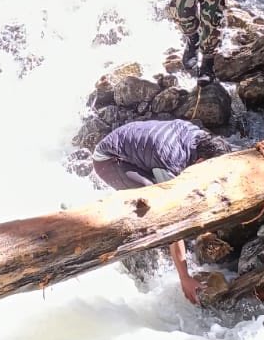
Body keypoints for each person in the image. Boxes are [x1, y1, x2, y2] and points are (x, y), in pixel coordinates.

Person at [92, 119, 231, 303]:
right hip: (108, 160)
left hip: (132, 146)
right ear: (200, 160)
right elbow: (173, 218)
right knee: (154, 199)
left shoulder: (199, 136)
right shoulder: (171, 161)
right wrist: (184, 277)